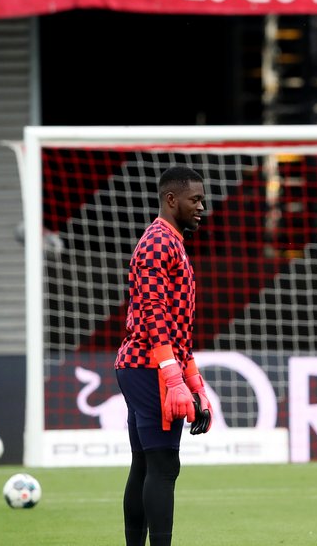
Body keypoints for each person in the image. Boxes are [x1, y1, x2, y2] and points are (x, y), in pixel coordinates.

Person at [115, 167, 214, 546]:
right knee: (163, 465)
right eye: (195, 200)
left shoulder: (170, 241)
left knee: (144, 463)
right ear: (172, 200)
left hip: (148, 365)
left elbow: (176, 323)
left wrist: (193, 381)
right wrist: (173, 377)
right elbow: (153, 313)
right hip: (148, 367)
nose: (201, 207)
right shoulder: (158, 242)